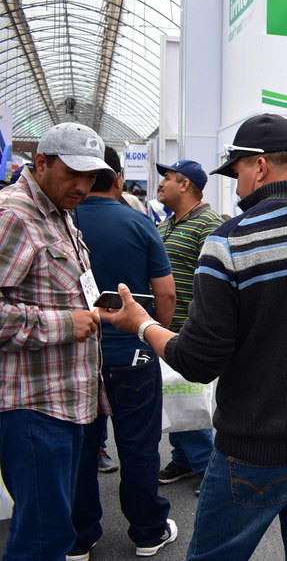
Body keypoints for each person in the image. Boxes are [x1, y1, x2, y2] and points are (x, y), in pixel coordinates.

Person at [98, 113, 287, 559]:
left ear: (259, 167)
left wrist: (141, 325)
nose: (237, 186)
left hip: (255, 444)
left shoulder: (231, 241)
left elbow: (198, 361)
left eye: (237, 172)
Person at [0, 122, 109, 559]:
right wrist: (65, 324)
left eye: (91, 176)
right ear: (41, 162)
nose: (82, 186)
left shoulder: (58, 213)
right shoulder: (14, 215)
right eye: (73, 173)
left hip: (66, 399)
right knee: (43, 537)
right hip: (33, 403)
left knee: (52, 528)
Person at [70, 146, 178, 559]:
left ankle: (79, 538)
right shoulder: (138, 222)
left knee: (81, 448)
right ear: (117, 178)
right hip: (133, 354)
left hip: (77, 355)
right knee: (139, 447)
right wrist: (153, 334)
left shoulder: (63, 220)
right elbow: (165, 292)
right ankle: (148, 532)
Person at [154, 159, 222, 494]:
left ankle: (206, 465)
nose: (161, 183)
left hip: (190, 329)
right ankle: (183, 458)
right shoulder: (166, 225)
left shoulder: (209, 225)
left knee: (190, 397)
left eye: (167, 177)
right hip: (165, 328)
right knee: (175, 397)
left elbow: (212, 282)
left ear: (185, 185)